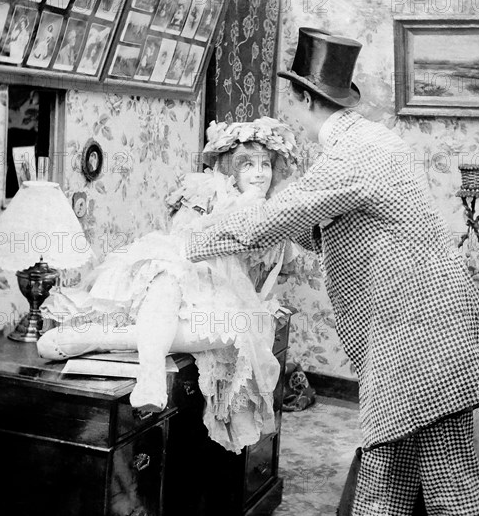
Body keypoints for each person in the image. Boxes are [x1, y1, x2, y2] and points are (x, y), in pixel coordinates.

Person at [185, 28, 479, 516]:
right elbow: (334, 225)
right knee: (386, 477)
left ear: (300, 97)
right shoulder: (374, 139)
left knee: (452, 490)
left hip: (421, 338)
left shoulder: (349, 156)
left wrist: (183, 241)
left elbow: (265, 224)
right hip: (424, 329)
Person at [38, 118, 299, 453]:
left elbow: (264, 272)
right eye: (248, 165)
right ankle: (150, 377)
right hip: (187, 268)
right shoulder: (209, 191)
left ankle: (98, 338)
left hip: (224, 293)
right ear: (231, 170)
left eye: (265, 165)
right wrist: (240, 205)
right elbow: (187, 242)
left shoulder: (271, 211)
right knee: (168, 275)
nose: (259, 174)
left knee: (234, 330)